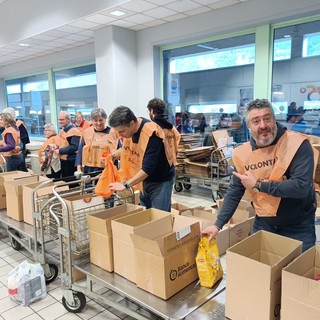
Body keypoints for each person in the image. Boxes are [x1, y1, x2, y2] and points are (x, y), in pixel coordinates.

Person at [201, 98, 317, 252]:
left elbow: (300, 186)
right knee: (261, 272)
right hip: (264, 223)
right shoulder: (242, 154)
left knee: (298, 274)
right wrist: (218, 224)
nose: (263, 125)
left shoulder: (297, 144)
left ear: (274, 120)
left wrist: (258, 185)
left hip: (298, 225)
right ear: (248, 126)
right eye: (256, 121)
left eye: (267, 118)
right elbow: (235, 191)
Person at [108, 106, 174, 212]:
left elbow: (148, 168)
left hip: (160, 180)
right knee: (145, 213)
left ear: (131, 124)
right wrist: (113, 155)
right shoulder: (131, 130)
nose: (120, 135)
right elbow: (126, 149)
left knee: (160, 216)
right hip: (143, 180)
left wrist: (126, 185)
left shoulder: (151, 133)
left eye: (121, 131)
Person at [76, 108, 119, 175]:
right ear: (91, 121)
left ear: (105, 119)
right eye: (95, 121)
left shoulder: (114, 132)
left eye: (101, 120)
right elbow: (80, 151)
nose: (98, 123)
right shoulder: (87, 133)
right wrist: (78, 169)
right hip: (90, 169)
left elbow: (121, 151)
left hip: (108, 169)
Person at [147, 98, 181, 165]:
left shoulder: (151, 129)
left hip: (157, 168)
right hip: (171, 166)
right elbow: (177, 147)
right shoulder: (173, 129)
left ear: (151, 111)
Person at [55, 111, 81, 181]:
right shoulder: (63, 130)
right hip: (64, 160)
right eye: (59, 120)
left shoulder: (74, 131)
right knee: (65, 182)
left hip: (70, 161)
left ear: (68, 119)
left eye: (62, 120)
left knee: (71, 183)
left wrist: (60, 151)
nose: (60, 122)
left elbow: (75, 147)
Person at [2, 107, 30, 171]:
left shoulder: (18, 126)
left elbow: (23, 140)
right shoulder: (7, 126)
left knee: (18, 172)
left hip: (16, 154)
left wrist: (19, 147)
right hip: (9, 154)